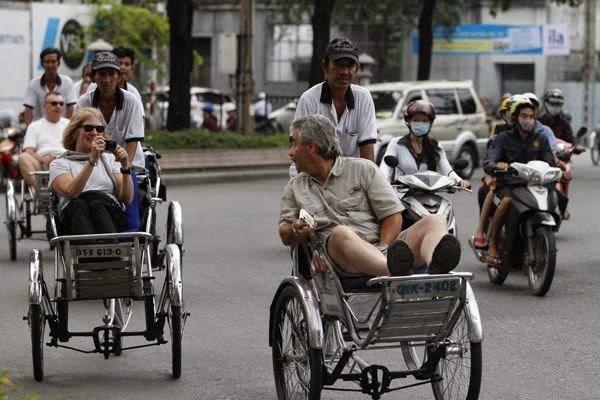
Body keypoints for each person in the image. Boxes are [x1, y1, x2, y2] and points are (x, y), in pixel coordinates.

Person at [279, 114, 462, 277]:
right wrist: (296, 228)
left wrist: (383, 248)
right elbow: (284, 233)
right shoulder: (295, 187)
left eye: (294, 143)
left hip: (384, 249)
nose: (290, 152)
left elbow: (392, 215)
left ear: (311, 147)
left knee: (435, 220)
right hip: (339, 258)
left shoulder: (363, 169)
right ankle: (393, 270)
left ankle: (436, 271)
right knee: (341, 233)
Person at [482, 97, 556, 265]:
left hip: (533, 186)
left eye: (531, 116)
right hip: (508, 186)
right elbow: (489, 160)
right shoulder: (502, 138)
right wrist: (497, 165)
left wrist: (558, 171)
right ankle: (492, 244)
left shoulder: (541, 139)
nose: (528, 120)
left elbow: (550, 162)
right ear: (515, 117)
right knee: (507, 201)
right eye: (524, 116)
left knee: (554, 196)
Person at [77, 51, 145, 230]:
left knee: (129, 192)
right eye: (101, 74)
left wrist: (124, 168)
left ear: (119, 76)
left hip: (127, 161)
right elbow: (79, 138)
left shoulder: (132, 102)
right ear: (92, 77)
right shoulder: (84, 102)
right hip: (94, 160)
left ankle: (131, 232)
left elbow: (132, 142)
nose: (106, 80)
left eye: (111, 74)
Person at [49, 107, 133, 235]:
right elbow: (72, 192)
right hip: (74, 219)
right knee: (78, 204)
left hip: (109, 214)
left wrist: (126, 166)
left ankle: (106, 248)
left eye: (99, 129)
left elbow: (126, 198)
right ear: (74, 132)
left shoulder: (110, 159)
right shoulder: (59, 163)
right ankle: (99, 248)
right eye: (88, 128)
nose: (94, 133)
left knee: (97, 204)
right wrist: (92, 161)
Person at [293, 38, 377, 163]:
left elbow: (367, 151)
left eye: (350, 65)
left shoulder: (363, 98)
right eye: (338, 65)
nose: (344, 72)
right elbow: (299, 150)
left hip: (351, 176)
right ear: (325, 66)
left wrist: (370, 180)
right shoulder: (308, 99)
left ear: (357, 69)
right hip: (313, 174)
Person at [379, 100, 470, 190]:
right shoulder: (396, 143)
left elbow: (447, 170)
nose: (420, 123)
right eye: (416, 120)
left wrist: (460, 180)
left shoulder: (436, 146)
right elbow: (385, 167)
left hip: (431, 198)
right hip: (401, 197)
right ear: (409, 122)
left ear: (430, 123)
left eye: (424, 121)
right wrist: (383, 180)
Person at [19, 91, 69, 187]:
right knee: (23, 157)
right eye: (54, 103)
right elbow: (29, 151)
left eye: (61, 103)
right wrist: (43, 159)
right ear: (45, 106)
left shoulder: (70, 124)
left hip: (65, 161)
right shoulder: (34, 126)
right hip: (41, 163)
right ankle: (42, 191)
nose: (58, 106)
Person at [23, 48, 76, 125]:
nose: (50, 65)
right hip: (39, 129)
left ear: (58, 63)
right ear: (42, 64)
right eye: (47, 62)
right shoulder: (33, 84)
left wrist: (69, 130)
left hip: (62, 128)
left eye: (53, 61)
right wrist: (29, 129)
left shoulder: (67, 82)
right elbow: (28, 109)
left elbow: (70, 108)